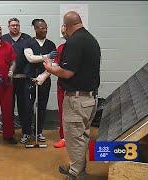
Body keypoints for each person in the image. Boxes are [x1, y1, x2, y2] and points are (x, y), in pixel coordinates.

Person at [43, 11, 101, 179]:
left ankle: (76, 173)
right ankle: (78, 167)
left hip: (77, 99)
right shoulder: (91, 39)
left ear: (67, 26)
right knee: (82, 135)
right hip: (89, 98)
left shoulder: (74, 41)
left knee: (74, 137)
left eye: (63, 27)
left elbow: (67, 72)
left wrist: (49, 67)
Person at [23, 19, 57, 143]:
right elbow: (30, 58)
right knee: (28, 107)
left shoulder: (51, 44)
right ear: (35, 29)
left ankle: (39, 132)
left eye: (46, 27)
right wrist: (47, 56)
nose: (44, 30)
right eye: (41, 28)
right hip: (30, 79)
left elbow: (53, 63)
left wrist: (44, 75)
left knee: (42, 106)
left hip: (45, 80)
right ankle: (26, 132)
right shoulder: (28, 42)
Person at [2, 17, 31, 143]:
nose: (15, 27)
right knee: (8, 106)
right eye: (12, 25)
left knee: (24, 106)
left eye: (17, 25)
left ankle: (26, 132)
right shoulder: (3, 39)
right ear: (9, 27)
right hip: (9, 79)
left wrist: (28, 73)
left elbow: (31, 57)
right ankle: (9, 133)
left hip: (24, 79)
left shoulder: (27, 38)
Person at [53, 25, 69, 148]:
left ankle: (76, 138)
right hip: (63, 86)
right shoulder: (61, 48)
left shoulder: (81, 47)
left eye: (66, 32)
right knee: (62, 112)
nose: (65, 35)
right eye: (62, 33)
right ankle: (63, 137)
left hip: (78, 87)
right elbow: (56, 66)